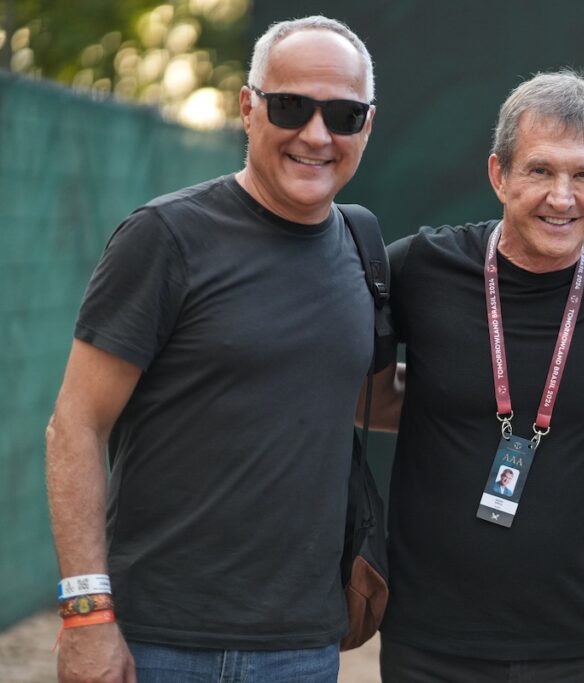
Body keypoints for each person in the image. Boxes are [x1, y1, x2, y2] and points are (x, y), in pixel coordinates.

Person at [44, 16, 378, 683]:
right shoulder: (164, 237)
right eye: (290, 106)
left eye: (343, 114)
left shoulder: (363, 243)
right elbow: (75, 425)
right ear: (247, 107)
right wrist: (86, 614)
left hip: (305, 647)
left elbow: (362, 395)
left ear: (366, 125)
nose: (316, 134)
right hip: (159, 644)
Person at [364, 69, 584, 681]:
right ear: (499, 175)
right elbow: (353, 384)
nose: (562, 197)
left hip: (577, 645)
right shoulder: (421, 269)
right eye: (540, 170)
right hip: (429, 644)